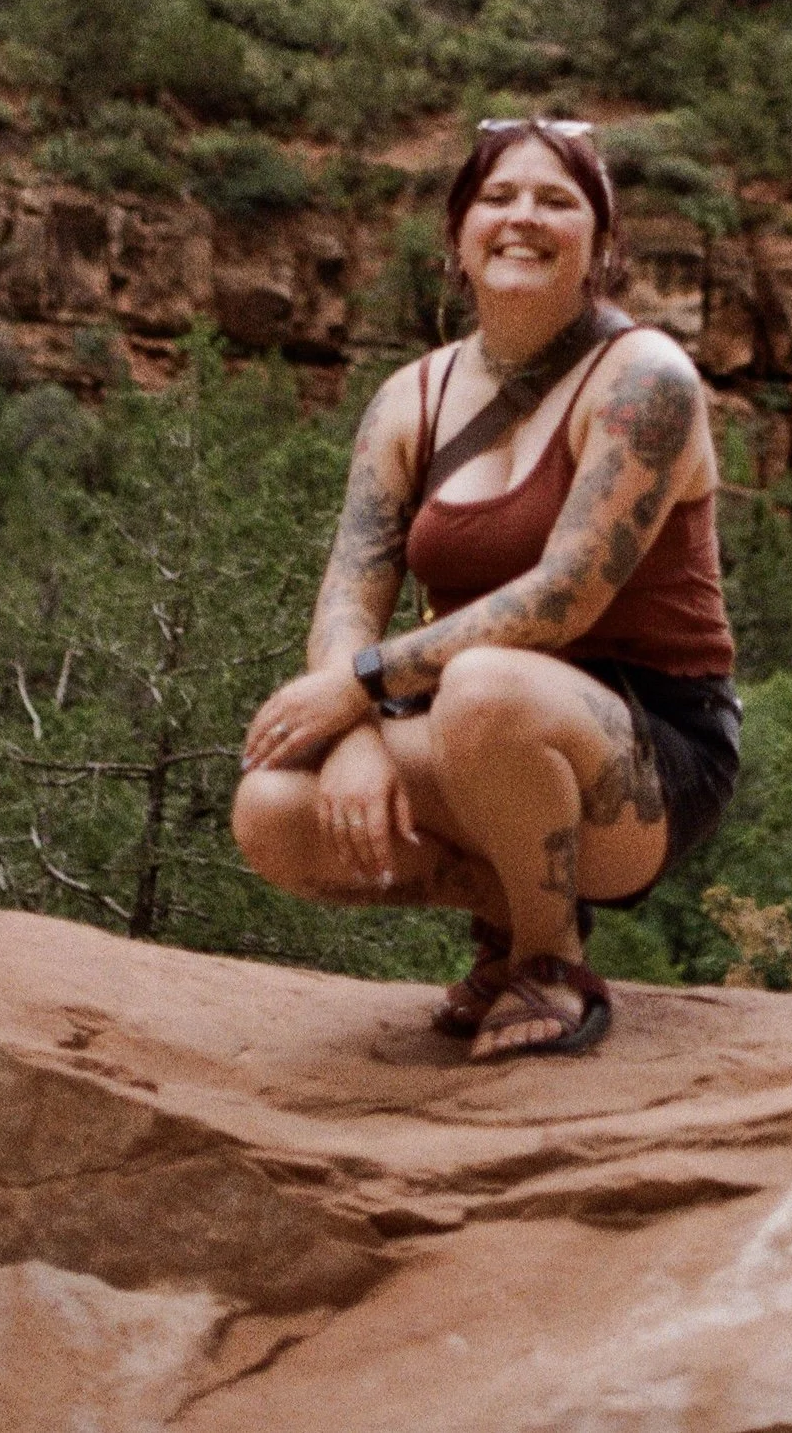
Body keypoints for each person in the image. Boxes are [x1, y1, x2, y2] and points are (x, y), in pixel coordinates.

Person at [234, 119, 740, 1061]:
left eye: (557, 201)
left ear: (602, 242)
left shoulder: (643, 380)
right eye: (498, 198)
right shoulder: (409, 400)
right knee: (271, 809)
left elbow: (563, 598)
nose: (524, 219)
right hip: (476, 735)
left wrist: (362, 687)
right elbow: (350, 591)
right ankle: (508, 901)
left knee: (484, 687)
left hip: (650, 758)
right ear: (458, 235)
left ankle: (548, 960)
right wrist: (352, 738)